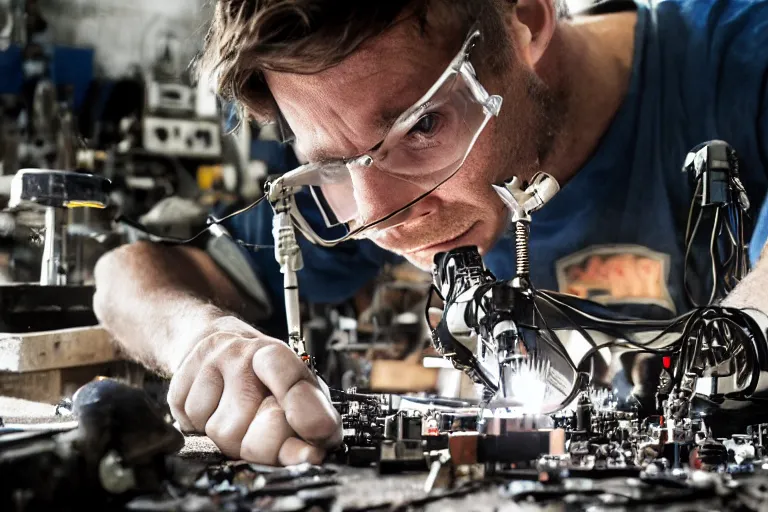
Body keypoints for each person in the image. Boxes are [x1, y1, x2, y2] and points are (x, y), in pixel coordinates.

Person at [93, 0, 768, 466]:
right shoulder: (356, 174)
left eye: (420, 127)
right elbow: (129, 277)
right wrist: (205, 340)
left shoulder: (741, 58)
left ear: (527, 18)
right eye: (331, 165)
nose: (379, 219)